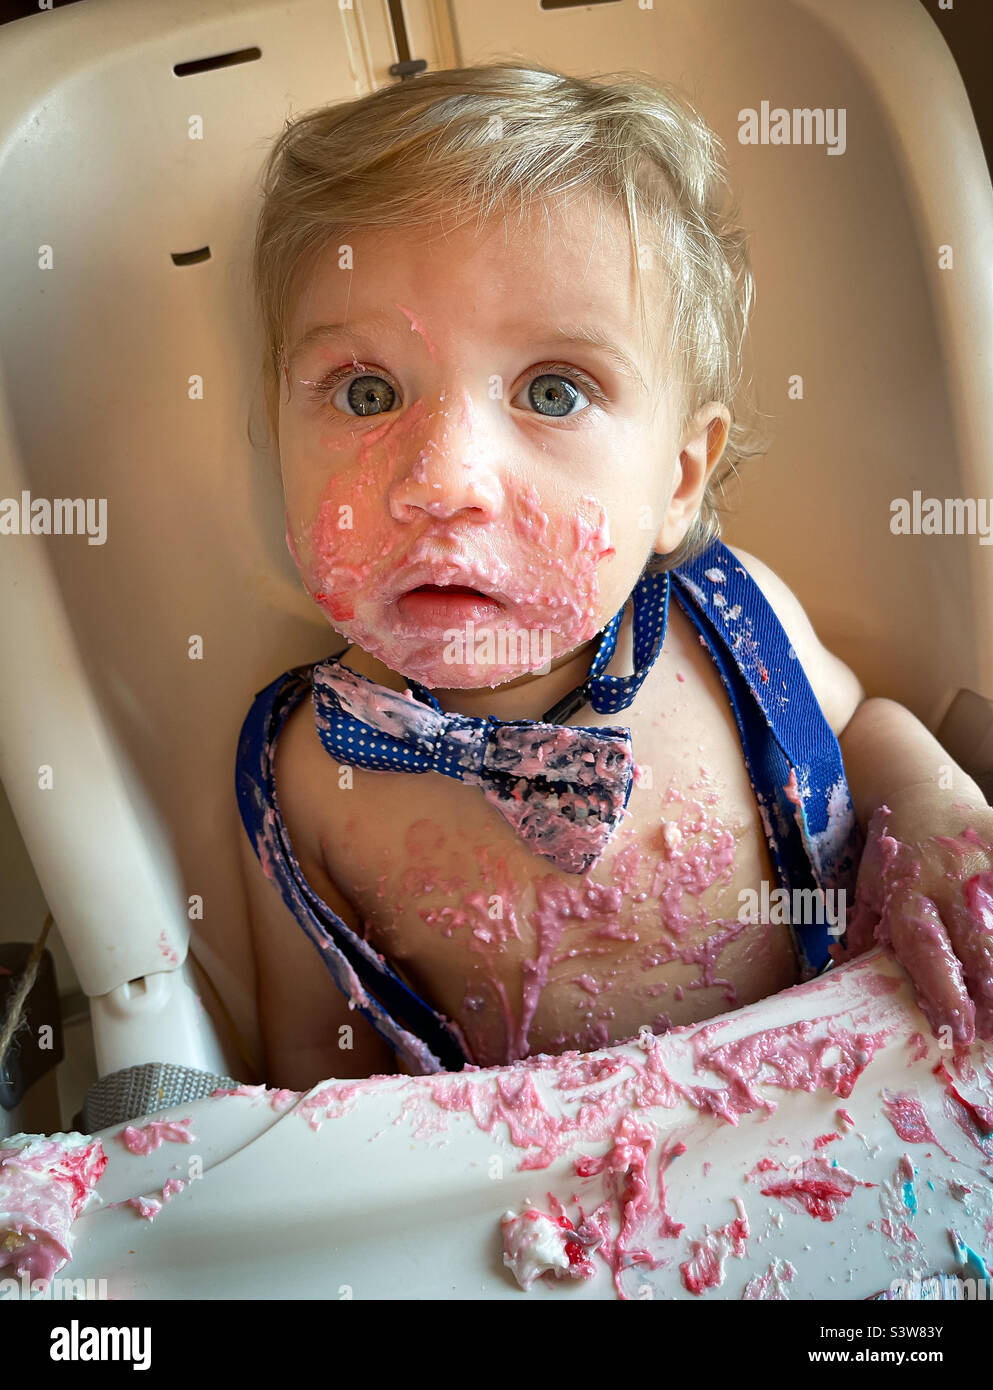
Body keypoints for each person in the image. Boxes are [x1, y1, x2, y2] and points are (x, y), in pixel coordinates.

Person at [235, 62, 993, 1090]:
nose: (442, 482)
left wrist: (940, 807)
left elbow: (863, 728)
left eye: (552, 390)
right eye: (366, 391)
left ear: (680, 476)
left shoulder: (733, 620)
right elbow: (314, 1095)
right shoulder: (314, 777)